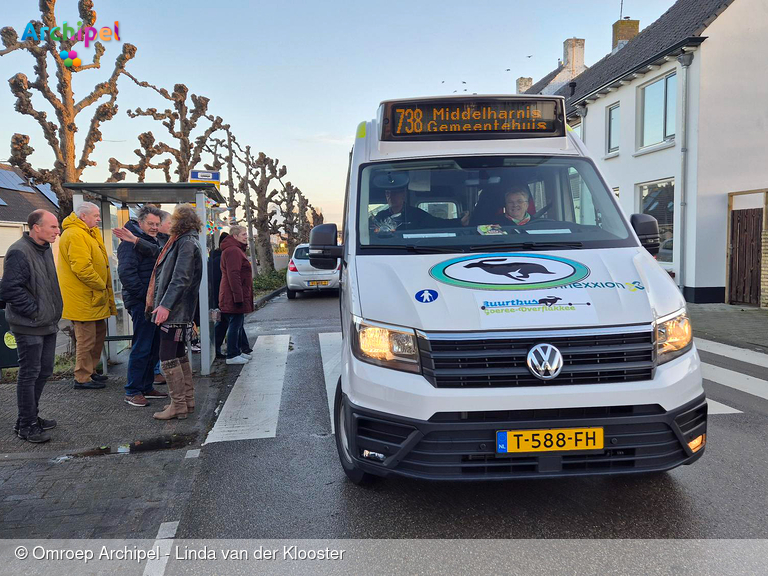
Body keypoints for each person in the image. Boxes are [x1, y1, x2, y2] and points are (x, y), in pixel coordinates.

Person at [0, 210, 63, 443]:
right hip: (29, 325)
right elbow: (9, 290)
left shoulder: (44, 248)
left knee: (44, 371)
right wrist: (35, 311)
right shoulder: (19, 251)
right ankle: (26, 425)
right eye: (53, 227)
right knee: (29, 374)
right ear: (36, 227)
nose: (57, 231)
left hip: (46, 323)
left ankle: (29, 417)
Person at [146, 204, 203, 420]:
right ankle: (186, 401)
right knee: (178, 353)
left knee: (168, 355)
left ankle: (178, 405)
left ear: (179, 222)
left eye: (169, 220)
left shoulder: (185, 243)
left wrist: (165, 305)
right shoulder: (188, 241)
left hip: (175, 310)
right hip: (182, 309)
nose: (164, 224)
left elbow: (181, 278)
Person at [58, 202, 116, 390]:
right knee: (86, 339)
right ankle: (82, 377)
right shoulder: (75, 234)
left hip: (94, 297)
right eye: (96, 215)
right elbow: (82, 268)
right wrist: (102, 285)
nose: (99, 219)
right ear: (83, 216)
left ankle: (91, 371)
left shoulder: (88, 233)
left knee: (98, 335)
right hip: (84, 297)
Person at [117, 206, 168, 407]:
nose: (154, 227)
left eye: (157, 224)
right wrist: (144, 298)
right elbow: (127, 274)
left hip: (153, 302)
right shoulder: (129, 244)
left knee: (153, 346)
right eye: (150, 224)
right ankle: (133, 390)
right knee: (142, 345)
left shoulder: (150, 241)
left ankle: (146, 386)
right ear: (141, 223)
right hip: (141, 303)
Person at [211, 233, 252, 360]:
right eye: (243, 234)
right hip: (230, 295)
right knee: (235, 323)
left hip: (227, 294)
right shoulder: (233, 251)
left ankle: (239, 350)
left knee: (234, 323)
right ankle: (233, 353)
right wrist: (238, 297)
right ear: (235, 236)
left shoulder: (231, 251)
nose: (246, 237)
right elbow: (233, 275)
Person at [369, 186, 469, 233]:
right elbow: (374, 232)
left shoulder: (416, 214)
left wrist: (459, 222)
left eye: (395, 193)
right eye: (388, 194)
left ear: (403, 195)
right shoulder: (381, 216)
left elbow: (437, 223)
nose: (391, 197)